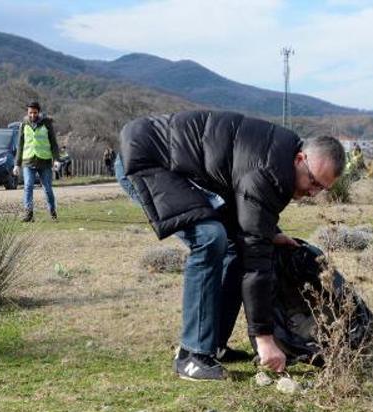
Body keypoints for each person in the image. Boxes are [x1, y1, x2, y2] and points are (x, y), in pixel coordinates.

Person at [120, 110, 346, 381]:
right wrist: (264, 338)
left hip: (175, 164)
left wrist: (270, 233)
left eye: (322, 188)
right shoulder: (270, 170)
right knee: (209, 238)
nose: (313, 192)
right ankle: (191, 356)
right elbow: (256, 260)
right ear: (301, 159)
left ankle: (213, 344)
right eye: (313, 181)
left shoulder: (283, 163)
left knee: (232, 246)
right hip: (145, 157)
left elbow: (248, 207)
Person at [14, 101, 60, 222]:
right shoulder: (24, 124)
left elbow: (54, 143)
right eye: (30, 113)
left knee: (47, 189)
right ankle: (28, 214)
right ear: (27, 112)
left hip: (44, 161)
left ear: (39, 112)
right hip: (28, 161)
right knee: (28, 186)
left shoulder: (47, 124)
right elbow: (20, 144)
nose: (32, 115)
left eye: (35, 113)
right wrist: (17, 164)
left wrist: (56, 160)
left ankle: (52, 211)